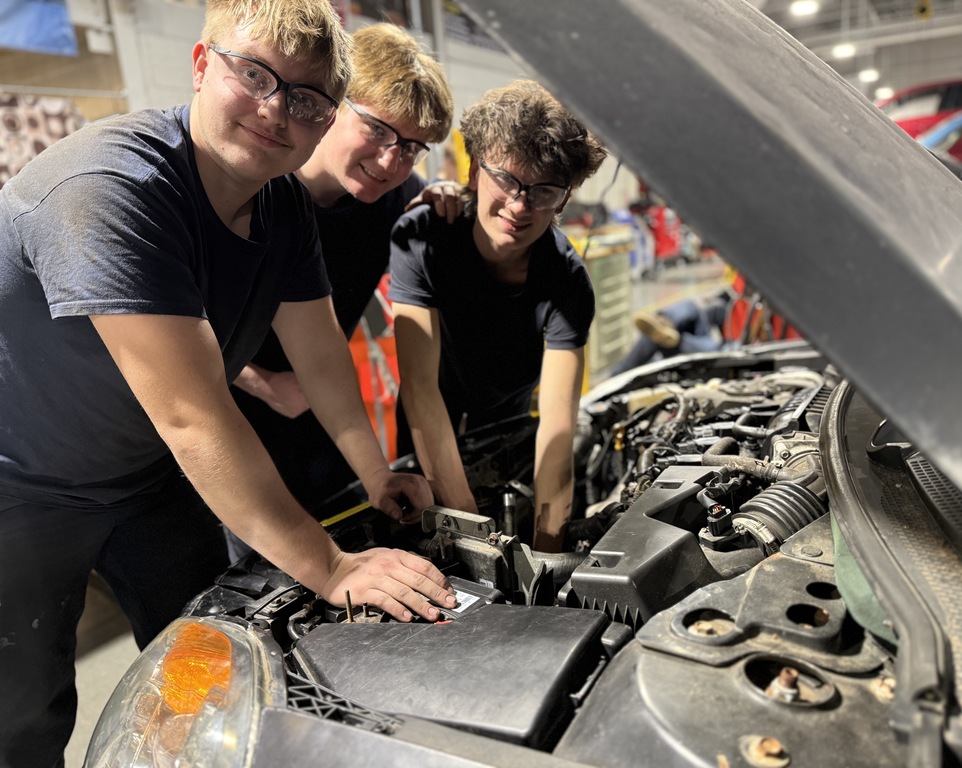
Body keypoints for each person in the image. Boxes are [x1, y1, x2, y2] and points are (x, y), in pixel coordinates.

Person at [0, 3, 455, 765]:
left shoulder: (280, 208)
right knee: (23, 710)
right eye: (256, 75)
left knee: (213, 657)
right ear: (203, 64)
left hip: (145, 475)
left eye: (307, 99)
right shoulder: (111, 189)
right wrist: (334, 567)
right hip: (21, 484)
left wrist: (378, 476)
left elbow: (320, 359)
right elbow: (194, 418)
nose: (277, 110)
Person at [232, 22, 455, 510]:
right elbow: (166, 328)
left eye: (413, 147)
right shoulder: (249, 193)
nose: (392, 160)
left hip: (326, 409)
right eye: (376, 129)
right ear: (331, 105)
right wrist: (260, 381)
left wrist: (453, 201)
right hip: (225, 409)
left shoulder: (397, 195)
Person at [389, 80, 608, 553]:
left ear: (565, 200)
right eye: (507, 179)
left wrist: (548, 554)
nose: (519, 205)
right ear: (474, 170)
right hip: (431, 409)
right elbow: (421, 389)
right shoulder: (424, 237)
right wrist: (475, 534)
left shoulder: (568, 282)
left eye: (543, 190)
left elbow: (556, 428)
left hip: (509, 416)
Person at [610, 294, 729, 375]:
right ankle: (665, 320)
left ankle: (617, 375)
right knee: (691, 305)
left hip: (724, 350)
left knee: (655, 338)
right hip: (708, 333)